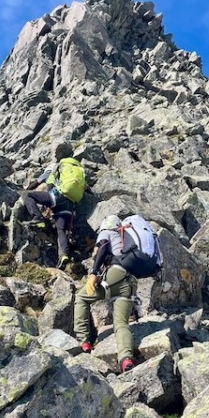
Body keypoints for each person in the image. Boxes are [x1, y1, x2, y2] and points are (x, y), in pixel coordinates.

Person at [73, 215, 138, 373]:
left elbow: (102, 246)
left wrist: (94, 273)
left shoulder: (107, 232)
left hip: (114, 275)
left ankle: (84, 342)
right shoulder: (128, 239)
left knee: (81, 297)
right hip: (130, 282)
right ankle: (126, 359)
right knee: (122, 323)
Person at [24, 158, 85, 270]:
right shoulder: (78, 173)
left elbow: (47, 183)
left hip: (57, 197)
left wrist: (28, 190)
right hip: (70, 205)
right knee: (61, 230)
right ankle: (64, 255)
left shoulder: (56, 168)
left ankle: (38, 219)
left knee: (30, 196)